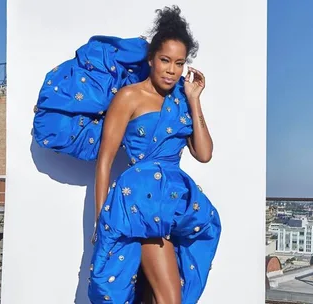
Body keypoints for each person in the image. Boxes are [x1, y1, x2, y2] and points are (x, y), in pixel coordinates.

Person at [33, 5, 221, 304]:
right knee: (170, 299)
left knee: (149, 296)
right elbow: (105, 160)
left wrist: (195, 100)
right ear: (151, 59)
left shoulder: (182, 100)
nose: (171, 70)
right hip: (140, 203)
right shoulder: (129, 96)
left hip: (175, 203)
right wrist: (100, 218)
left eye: (179, 63)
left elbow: (204, 153)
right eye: (164, 60)